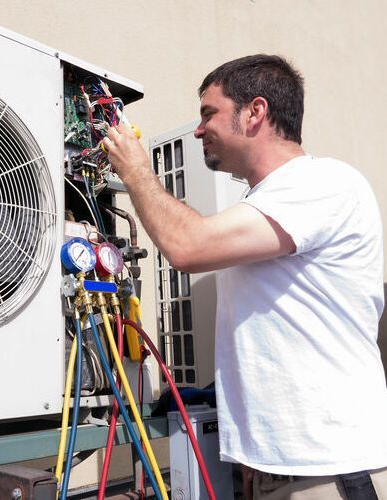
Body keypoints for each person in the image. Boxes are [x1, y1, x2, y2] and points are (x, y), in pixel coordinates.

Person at [102, 54, 387, 499]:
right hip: (278, 471)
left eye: (208, 113)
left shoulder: (321, 183)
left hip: (330, 472)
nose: (198, 130)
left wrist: (136, 168)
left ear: (255, 112)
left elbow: (187, 246)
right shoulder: (268, 201)